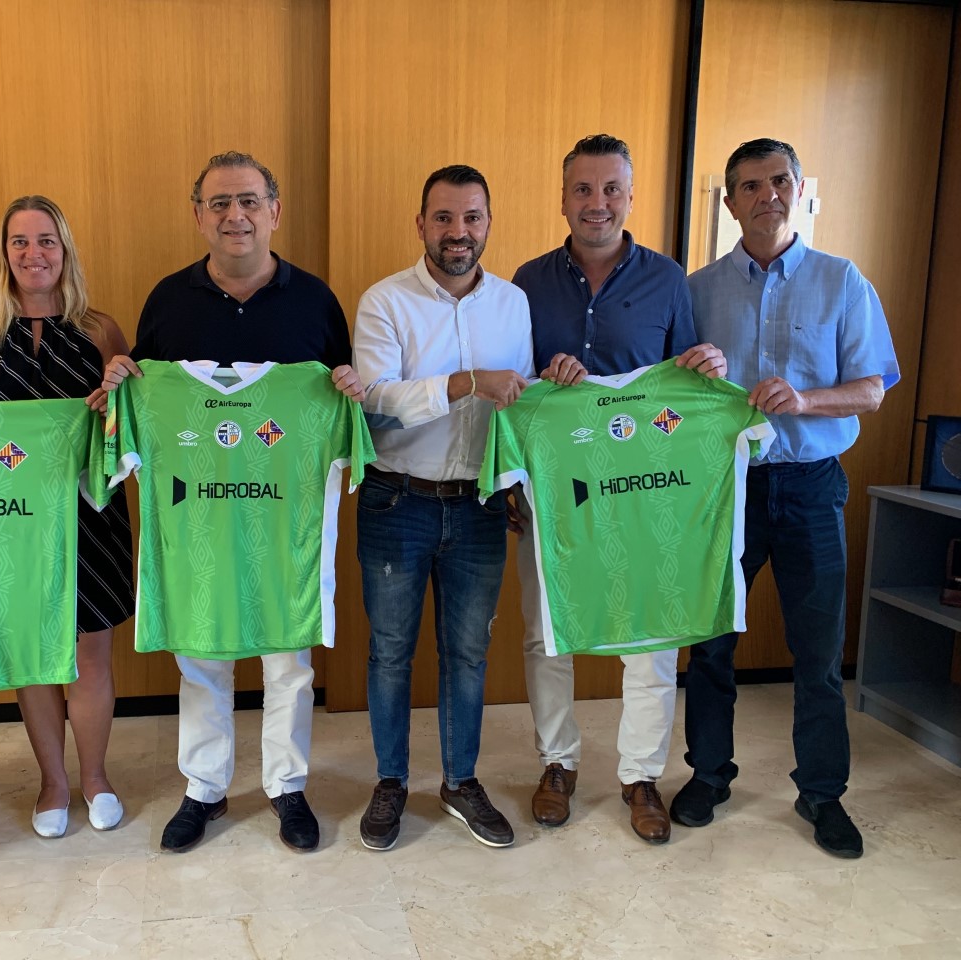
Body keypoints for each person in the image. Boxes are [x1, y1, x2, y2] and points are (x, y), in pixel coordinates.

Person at [102, 151, 363, 853]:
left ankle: (287, 786)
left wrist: (348, 388)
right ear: (198, 216)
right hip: (200, 524)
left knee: (289, 661)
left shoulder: (315, 302)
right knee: (202, 657)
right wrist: (124, 379)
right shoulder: (168, 300)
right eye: (218, 203)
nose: (234, 215)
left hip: (284, 523)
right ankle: (204, 787)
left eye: (248, 200)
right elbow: (146, 400)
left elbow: (342, 400)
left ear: (274, 211)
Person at [672, 138, 899, 859]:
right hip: (725, 487)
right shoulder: (698, 289)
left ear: (798, 190)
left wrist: (804, 400)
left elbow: (872, 389)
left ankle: (822, 793)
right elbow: (670, 392)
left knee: (818, 653)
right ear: (731, 201)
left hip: (810, 487)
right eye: (750, 185)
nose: (766, 195)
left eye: (779, 181)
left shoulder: (842, 280)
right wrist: (690, 369)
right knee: (711, 643)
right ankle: (709, 775)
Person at [511, 134, 726, 844]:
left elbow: (685, 390)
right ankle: (558, 764)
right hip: (556, 489)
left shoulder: (667, 279)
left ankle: (640, 776)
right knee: (548, 631)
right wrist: (544, 382)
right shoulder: (526, 282)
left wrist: (708, 366)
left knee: (652, 634)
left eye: (611, 189)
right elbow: (512, 392)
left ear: (630, 197)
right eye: (583, 189)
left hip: (644, 491)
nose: (596, 203)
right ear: (563, 197)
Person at [352, 164, 531, 851]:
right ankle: (390, 782)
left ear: (488, 223)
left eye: (472, 217)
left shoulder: (512, 304)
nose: (459, 232)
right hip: (397, 499)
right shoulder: (384, 301)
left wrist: (515, 483)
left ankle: (460, 781)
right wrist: (463, 383)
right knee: (390, 653)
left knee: (468, 652)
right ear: (421, 224)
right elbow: (374, 402)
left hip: (480, 505)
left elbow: (518, 408)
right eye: (445, 218)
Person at [0, 195, 134, 838]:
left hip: (91, 515)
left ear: (65, 249)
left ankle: (96, 777)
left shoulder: (101, 330)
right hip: (11, 520)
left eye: (46, 240)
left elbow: (128, 425)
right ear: (5, 253)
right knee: (33, 656)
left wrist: (114, 399)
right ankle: (53, 783)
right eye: (19, 241)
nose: (33, 254)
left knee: (89, 655)